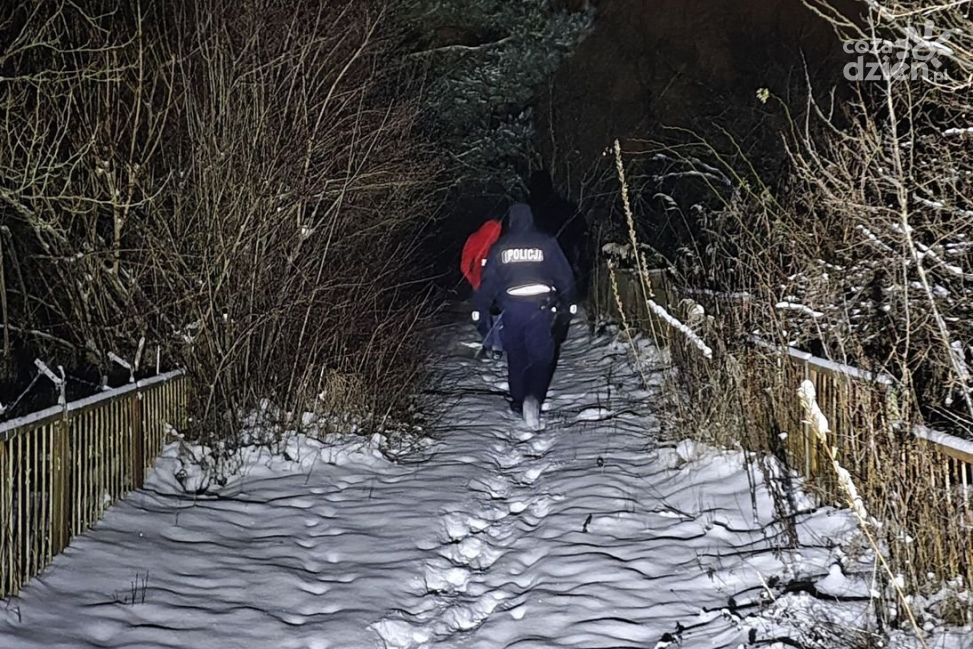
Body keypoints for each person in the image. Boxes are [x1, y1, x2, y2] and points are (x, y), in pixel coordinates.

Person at [474, 203, 576, 429]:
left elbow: (488, 284)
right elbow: (565, 277)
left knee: (517, 355)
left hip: (511, 310)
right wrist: (568, 304)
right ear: (531, 219)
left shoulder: (500, 247)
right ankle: (534, 397)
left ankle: (519, 401)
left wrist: (481, 313)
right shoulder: (546, 243)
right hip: (541, 310)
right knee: (542, 356)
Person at [461, 217, 505, 356]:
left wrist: (473, 279)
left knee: (482, 316)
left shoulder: (474, 238)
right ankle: (498, 347)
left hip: (479, 285)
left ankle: (487, 344)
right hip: (499, 284)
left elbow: (464, 265)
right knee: (498, 316)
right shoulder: (502, 241)